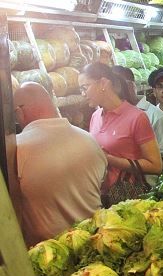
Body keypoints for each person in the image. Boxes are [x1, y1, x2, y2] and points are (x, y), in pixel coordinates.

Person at [14, 82, 107, 246]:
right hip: (96, 243)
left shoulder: (17, 150)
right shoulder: (88, 139)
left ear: (19, 112)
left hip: (51, 256)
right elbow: (100, 184)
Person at [79, 62, 162, 194]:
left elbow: (156, 166)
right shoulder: (95, 117)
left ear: (103, 83)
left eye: (85, 87)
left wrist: (109, 159)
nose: (83, 94)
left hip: (129, 197)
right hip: (101, 196)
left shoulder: (137, 117)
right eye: (81, 90)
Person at [111, 65, 163, 177]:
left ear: (132, 85)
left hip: (146, 188)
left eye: (120, 84)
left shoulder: (156, 116)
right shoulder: (106, 115)